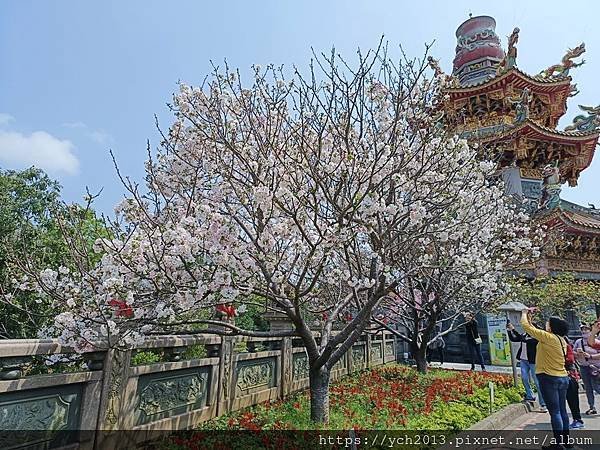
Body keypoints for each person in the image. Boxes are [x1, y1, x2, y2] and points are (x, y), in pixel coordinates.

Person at [521, 308, 571, 450]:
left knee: (554, 412)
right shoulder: (561, 340)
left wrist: (524, 313)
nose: (546, 325)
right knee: (562, 410)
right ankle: (566, 441)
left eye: (548, 323)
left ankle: (558, 444)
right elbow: (532, 329)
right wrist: (530, 317)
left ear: (552, 327)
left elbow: (526, 327)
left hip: (549, 378)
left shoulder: (548, 337)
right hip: (562, 378)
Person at [507, 321, 547, 412]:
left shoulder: (536, 337)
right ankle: (530, 395)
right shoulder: (524, 335)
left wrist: (514, 329)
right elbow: (515, 339)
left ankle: (543, 403)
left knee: (537, 382)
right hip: (523, 360)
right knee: (524, 378)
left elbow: (525, 340)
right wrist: (509, 331)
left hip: (533, 361)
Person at [573, 323, 600, 415]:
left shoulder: (596, 341)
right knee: (588, 388)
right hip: (584, 367)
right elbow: (572, 352)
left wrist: (590, 356)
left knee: (596, 387)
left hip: (595, 367)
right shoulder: (578, 342)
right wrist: (578, 354)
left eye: (586, 329)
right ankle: (592, 407)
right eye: (583, 329)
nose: (584, 331)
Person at [564, 337, 584, 429]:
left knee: (573, 400)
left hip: (569, 376)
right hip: (559, 376)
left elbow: (570, 359)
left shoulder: (567, 346)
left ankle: (578, 419)